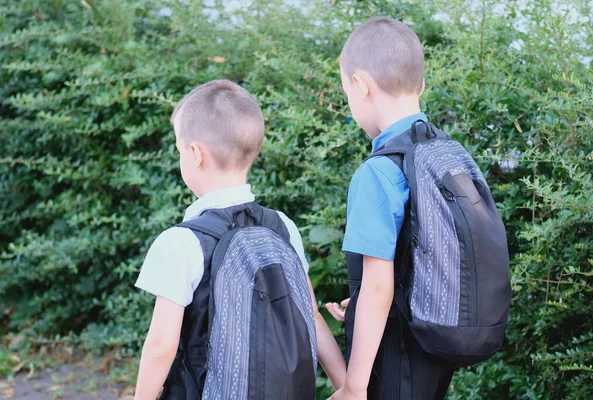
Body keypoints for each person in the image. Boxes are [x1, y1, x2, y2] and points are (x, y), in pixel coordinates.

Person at [134, 80, 346, 399]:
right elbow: (311, 315)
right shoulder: (283, 228)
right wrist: (347, 386)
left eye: (179, 150)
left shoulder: (180, 242)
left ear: (194, 154)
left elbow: (161, 346)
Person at [326, 17, 456, 400]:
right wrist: (368, 300)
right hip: (432, 346)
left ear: (360, 86)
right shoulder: (442, 152)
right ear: (421, 84)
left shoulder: (379, 172)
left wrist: (354, 386)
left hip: (395, 355)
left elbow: (379, 285)